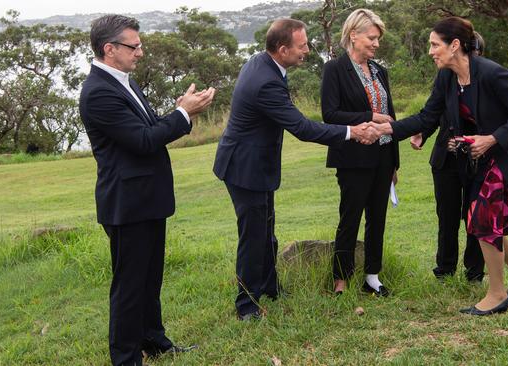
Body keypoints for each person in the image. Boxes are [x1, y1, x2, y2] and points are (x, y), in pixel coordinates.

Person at [369, 17, 508, 315]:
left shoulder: (492, 73)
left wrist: (493, 138)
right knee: (482, 218)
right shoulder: (447, 77)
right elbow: (426, 118)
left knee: (481, 218)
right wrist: (387, 129)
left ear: (455, 45)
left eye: (435, 44)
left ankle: (497, 293)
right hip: (483, 158)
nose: (431, 51)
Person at [213, 18, 378, 321]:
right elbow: (301, 127)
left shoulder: (264, 63)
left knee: (266, 235)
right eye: (301, 46)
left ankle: (270, 288)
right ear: (282, 48)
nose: (307, 50)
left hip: (255, 165)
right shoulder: (266, 82)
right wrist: (351, 132)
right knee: (253, 237)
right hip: (244, 168)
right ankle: (247, 306)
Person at [79, 14, 215, 365]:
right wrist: (183, 114)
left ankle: (154, 341)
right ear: (109, 49)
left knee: (150, 279)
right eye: (134, 46)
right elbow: (142, 141)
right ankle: (125, 357)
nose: (140, 52)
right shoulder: (97, 92)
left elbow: (151, 126)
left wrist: (179, 111)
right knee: (129, 286)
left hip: (148, 198)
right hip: (127, 203)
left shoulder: (125, 81)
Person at [321, 9, 398, 296]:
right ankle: (340, 279)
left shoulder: (380, 71)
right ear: (353, 35)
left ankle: (372, 277)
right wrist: (370, 116)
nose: (376, 43)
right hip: (353, 158)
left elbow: (391, 116)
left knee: (377, 218)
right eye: (372, 37)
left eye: (378, 39)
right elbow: (330, 114)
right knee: (350, 217)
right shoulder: (334, 70)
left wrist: (395, 164)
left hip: (384, 155)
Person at [409, 31, 487, 282]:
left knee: (475, 215)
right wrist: (422, 133)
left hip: (478, 157)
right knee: (447, 216)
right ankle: (444, 270)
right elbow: (434, 110)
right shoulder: (445, 77)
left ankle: (474, 272)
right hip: (446, 159)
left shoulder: (487, 78)